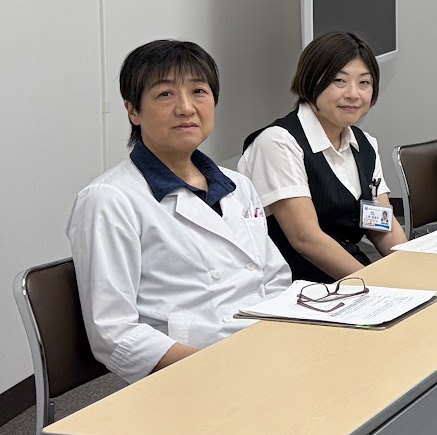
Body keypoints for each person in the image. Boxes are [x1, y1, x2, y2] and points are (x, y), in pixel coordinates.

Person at [67, 40, 292, 383]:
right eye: (165, 94)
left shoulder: (237, 185)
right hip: (191, 374)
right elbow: (113, 333)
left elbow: (275, 278)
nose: (186, 108)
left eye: (199, 91)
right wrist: (218, 368)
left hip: (263, 349)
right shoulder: (108, 200)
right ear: (133, 111)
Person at [240, 31, 407, 282]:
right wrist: (373, 284)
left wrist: (410, 268)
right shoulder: (279, 142)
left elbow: (382, 226)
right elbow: (305, 239)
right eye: (339, 81)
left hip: (350, 277)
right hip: (296, 285)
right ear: (311, 81)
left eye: (364, 83)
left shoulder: (364, 144)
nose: (353, 94)